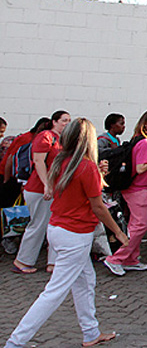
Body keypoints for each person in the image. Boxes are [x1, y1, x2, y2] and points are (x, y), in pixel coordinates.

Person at [4, 118, 128, 348]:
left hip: (59, 229)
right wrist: (118, 234)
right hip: (75, 234)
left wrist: (98, 173)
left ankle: (91, 333)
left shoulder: (62, 161)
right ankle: (15, 342)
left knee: (85, 281)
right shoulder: (84, 166)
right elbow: (98, 205)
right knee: (54, 292)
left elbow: (81, 190)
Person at [103, 110, 147, 276]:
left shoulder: (139, 141)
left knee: (135, 225)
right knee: (140, 225)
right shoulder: (144, 144)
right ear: (145, 123)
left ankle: (131, 259)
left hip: (139, 188)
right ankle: (116, 259)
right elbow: (141, 167)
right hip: (138, 189)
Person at [13, 111, 71, 275]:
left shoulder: (62, 140)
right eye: (63, 121)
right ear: (54, 122)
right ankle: (23, 260)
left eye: (69, 121)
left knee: (54, 225)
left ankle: (52, 263)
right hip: (39, 189)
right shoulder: (46, 136)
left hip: (54, 189)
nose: (66, 123)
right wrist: (47, 185)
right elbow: (39, 162)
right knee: (39, 224)